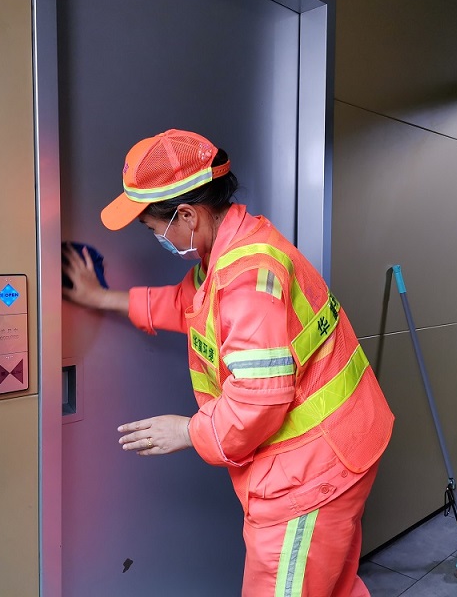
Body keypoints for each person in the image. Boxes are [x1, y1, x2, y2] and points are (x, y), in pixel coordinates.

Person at [62, 129, 394, 597]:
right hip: (341, 447)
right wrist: (102, 298)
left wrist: (187, 431)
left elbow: (258, 400)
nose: (155, 238)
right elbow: (187, 304)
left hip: (312, 473)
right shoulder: (231, 248)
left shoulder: (247, 278)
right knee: (331, 587)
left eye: (154, 229)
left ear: (187, 215)